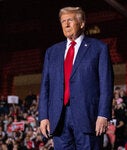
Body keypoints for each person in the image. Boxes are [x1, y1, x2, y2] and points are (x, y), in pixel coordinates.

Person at [38, 6, 114, 150]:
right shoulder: (52, 52)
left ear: (82, 23)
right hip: (59, 119)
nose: (66, 24)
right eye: (63, 21)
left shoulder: (98, 48)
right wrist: (43, 116)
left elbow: (106, 84)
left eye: (70, 20)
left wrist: (103, 114)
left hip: (88, 117)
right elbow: (45, 87)